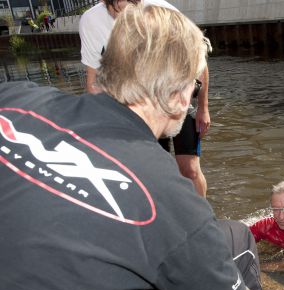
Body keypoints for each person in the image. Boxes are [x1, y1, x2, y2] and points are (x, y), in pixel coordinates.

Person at [0, 5, 284, 290]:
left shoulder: (16, 100)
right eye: (195, 87)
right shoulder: (168, 194)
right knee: (233, 243)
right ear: (179, 97)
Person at [79, 0, 210, 197]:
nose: (125, 18)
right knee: (154, 172)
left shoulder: (163, 11)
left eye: (130, 10)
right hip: (137, 106)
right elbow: (93, 82)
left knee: (190, 169)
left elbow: (198, 62)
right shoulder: (91, 21)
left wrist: (203, 107)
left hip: (175, 94)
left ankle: (205, 217)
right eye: (117, 11)